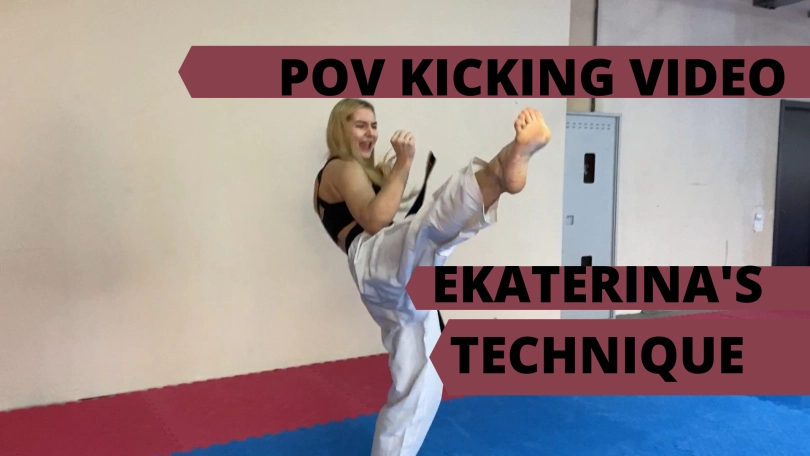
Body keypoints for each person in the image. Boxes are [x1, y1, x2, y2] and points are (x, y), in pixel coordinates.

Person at [313, 98, 551, 456]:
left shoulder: (356, 172)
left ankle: (500, 172)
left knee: (425, 379)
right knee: (426, 232)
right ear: (338, 129)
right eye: (359, 125)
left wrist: (397, 173)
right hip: (373, 256)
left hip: (386, 276)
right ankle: (499, 171)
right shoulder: (341, 168)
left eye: (373, 125)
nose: (370, 133)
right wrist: (404, 164)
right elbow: (376, 220)